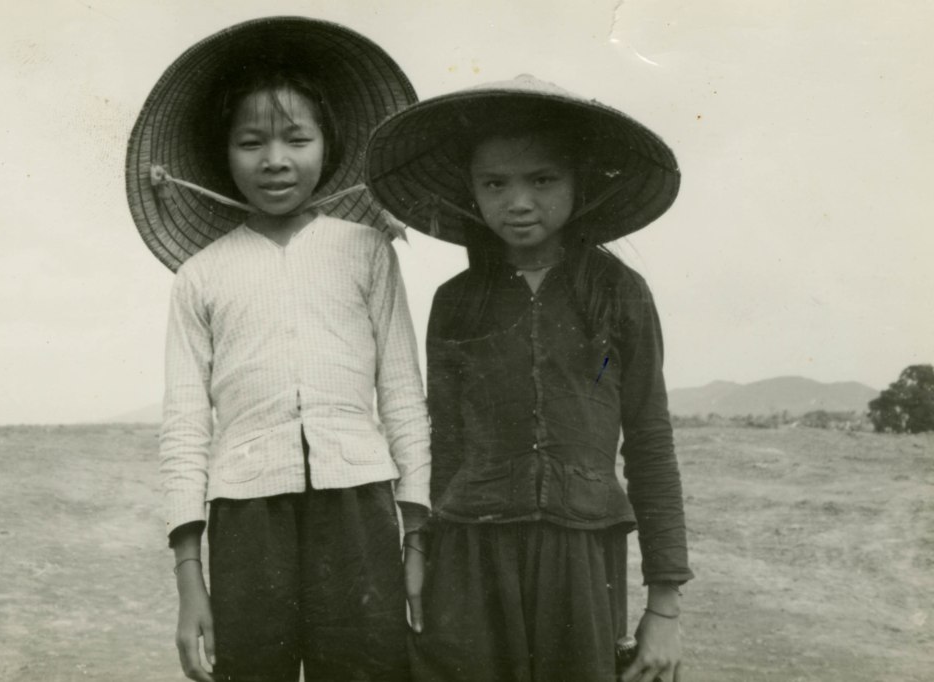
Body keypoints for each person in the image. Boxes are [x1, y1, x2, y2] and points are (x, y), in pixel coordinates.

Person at [125, 17, 430, 682]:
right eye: (251, 142)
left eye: (297, 138)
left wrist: (414, 536)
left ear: (329, 144)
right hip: (244, 515)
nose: (275, 160)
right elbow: (184, 424)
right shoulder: (201, 275)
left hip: (359, 507)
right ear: (222, 153)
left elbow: (404, 393)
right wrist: (189, 580)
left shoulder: (365, 251)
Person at [365, 75, 694, 682]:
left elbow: (649, 440)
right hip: (469, 554)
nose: (518, 201)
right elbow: (443, 440)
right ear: (471, 191)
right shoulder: (456, 301)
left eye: (542, 180)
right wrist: (422, 549)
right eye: (495, 183)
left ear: (580, 183)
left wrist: (665, 604)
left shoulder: (619, 294)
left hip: (582, 553)